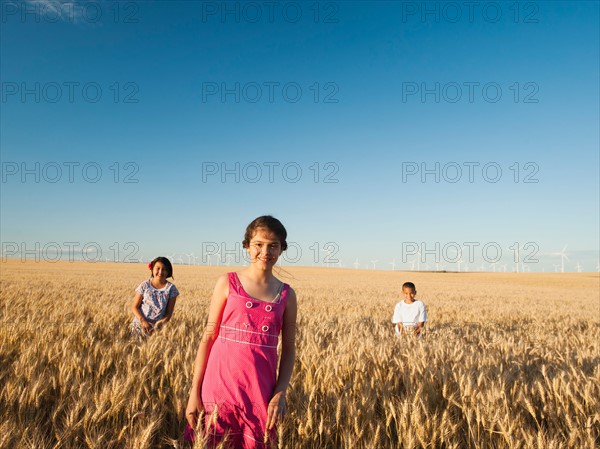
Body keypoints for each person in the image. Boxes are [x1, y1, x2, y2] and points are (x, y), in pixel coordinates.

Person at [185, 215, 298, 449]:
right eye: (258, 244)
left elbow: (288, 349)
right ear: (247, 246)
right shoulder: (227, 282)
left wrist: (280, 393)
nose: (265, 251)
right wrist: (194, 391)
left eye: (273, 245)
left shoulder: (287, 295)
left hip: (260, 393)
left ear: (281, 249)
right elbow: (208, 338)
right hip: (218, 389)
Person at [131, 256, 179, 336]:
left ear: (168, 272)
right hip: (140, 326)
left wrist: (157, 327)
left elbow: (168, 314)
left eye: (164, 269)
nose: (160, 272)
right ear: (152, 269)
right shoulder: (144, 285)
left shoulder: (171, 289)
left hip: (157, 330)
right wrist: (143, 321)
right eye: (158, 268)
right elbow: (134, 307)